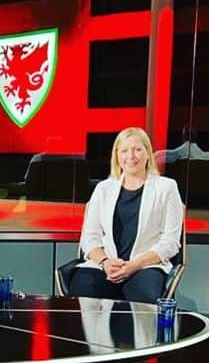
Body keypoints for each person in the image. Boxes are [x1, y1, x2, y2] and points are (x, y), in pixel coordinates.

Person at [68, 127, 183, 303]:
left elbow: (171, 243)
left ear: (148, 154)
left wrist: (133, 266)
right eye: (124, 150)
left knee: (143, 295)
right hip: (106, 266)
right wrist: (105, 262)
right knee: (82, 289)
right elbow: (90, 237)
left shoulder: (167, 188)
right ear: (117, 156)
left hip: (145, 266)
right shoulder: (103, 189)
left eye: (137, 149)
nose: (131, 156)